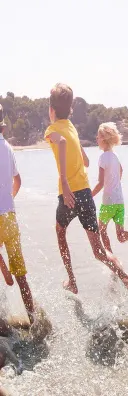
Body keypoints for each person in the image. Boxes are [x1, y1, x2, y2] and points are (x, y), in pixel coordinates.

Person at [44, 84, 128, 317]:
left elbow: (59, 143)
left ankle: (72, 281)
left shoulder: (52, 130)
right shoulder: (71, 128)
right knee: (99, 250)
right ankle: (127, 278)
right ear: (70, 109)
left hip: (69, 195)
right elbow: (86, 161)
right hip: (85, 194)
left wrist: (65, 182)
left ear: (51, 109)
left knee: (60, 233)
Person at [0, 105, 36, 321]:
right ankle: (33, 318)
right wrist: (8, 200)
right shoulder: (9, 148)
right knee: (21, 274)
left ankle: (4, 271)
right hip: (9, 216)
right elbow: (18, 180)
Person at [92, 122, 128, 250]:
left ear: (103, 138)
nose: (96, 139)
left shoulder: (103, 157)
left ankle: (111, 258)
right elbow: (121, 170)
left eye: (98, 136)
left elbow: (101, 183)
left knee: (102, 230)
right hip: (119, 201)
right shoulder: (115, 156)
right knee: (120, 236)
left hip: (108, 203)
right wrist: (115, 184)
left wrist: (89, 195)